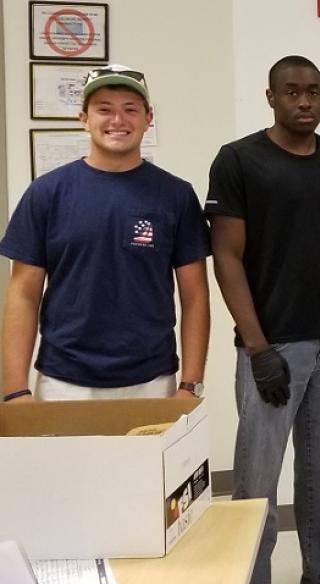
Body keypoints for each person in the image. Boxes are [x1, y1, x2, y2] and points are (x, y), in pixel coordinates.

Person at [205, 55, 320, 584]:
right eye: (292, 92)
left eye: (313, 92)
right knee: (256, 482)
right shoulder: (238, 161)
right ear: (271, 97)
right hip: (274, 347)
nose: (304, 101)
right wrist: (257, 349)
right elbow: (226, 259)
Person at [0, 64, 209, 403]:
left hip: (152, 381)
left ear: (148, 117)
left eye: (130, 109)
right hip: (62, 382)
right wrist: (14, 390)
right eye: (104, 109)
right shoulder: (46, 193)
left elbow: (196, 295)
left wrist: (191, 384)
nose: (117, 120)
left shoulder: (176, 195)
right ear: (83, 117)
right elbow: (23, 293)